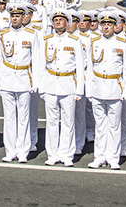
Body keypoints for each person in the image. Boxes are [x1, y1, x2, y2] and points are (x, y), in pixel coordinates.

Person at [36, 9, 85, 167]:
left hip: (68, 83)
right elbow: (41, 65)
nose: (57, 22)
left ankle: (67, 154)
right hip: (50, 84)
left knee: (68, 121)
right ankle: (52, 153)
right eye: (55, 20)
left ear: (67, 23)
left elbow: (80, 66)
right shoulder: (47, 40)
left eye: (61, 20)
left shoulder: (74, 41)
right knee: (51, 121)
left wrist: (79, 90)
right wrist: (41, 87)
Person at [86, 10, 126, 170]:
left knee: (114, 126)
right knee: (100, 126)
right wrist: (88, 89)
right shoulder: (94, 43)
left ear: (115, 26)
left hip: (115, 88)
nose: (106, 27)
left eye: (109, 25)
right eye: (104, 24)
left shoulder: (122, 44)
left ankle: (113, 157)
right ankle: (99, 157)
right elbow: (90, 69)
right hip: (98, 87)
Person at [0, 2, 39, 163]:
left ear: (23, 17)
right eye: (12, 16)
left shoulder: (31, 34)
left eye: (18, 16)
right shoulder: (3, 34)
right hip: (7, 78)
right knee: (9, 117)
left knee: (24, 117)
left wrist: (35, 82)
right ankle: (10, 150)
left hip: (24, 78)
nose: (15, 18)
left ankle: (22, 151)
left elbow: (37, 59)